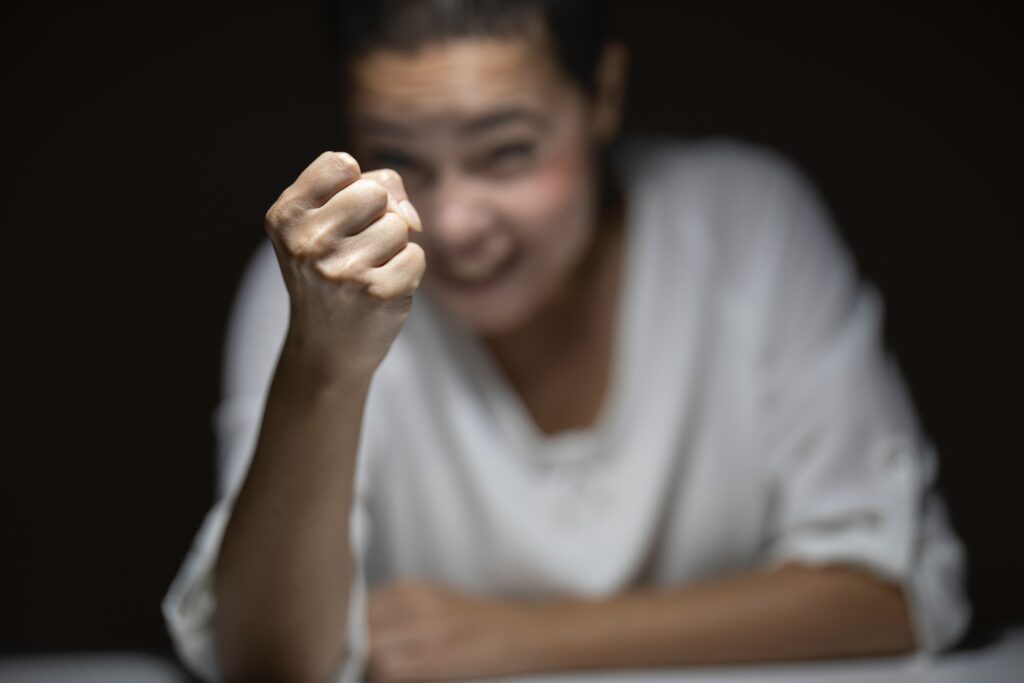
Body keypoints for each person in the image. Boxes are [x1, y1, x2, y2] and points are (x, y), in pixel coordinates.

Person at [163, 2, 970, 681]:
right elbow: (266, 659)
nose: (450, 223)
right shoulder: (321, 281)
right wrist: (325, 364)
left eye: (506, 152)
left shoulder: (746, 223)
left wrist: (526, 636)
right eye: (400, 156)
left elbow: (895, 589)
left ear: (604, 95)